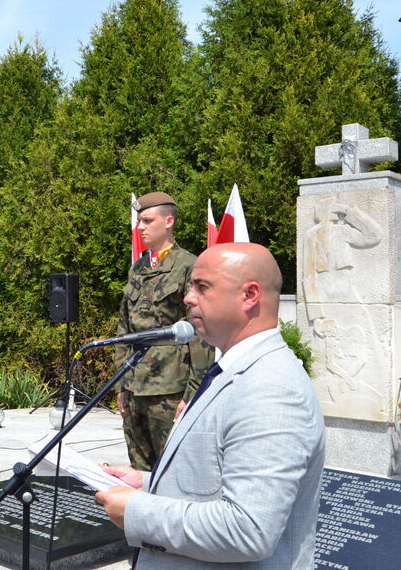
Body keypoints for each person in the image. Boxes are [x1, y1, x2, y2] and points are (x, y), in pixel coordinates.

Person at [96, 243, 326, 568]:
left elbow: (247, 530)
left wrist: (136, 510)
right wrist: (148, 483)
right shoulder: (235, 368)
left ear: (250, 296)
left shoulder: (271, 389)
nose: (189, 297)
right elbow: (213, 482)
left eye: (202, 287)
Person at [114, 192, 213, 471]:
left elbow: (199, 332)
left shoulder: (188, 266)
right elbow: (124, 327)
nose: (140, 227)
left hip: (170, 389)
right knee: (140, 470)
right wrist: (121, 383)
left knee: (174, 470)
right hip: (134, 386)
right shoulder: (138, 269)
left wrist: (192, 394)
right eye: (139, 221)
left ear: (169, 221)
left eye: (147, 220)